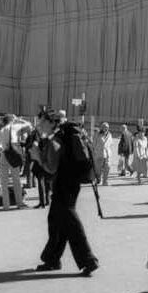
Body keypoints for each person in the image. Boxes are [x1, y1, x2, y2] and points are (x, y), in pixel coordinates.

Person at [31, 110, 99, 276]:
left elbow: (51, 167)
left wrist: (37, 156)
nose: (40, 125)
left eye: (42, 122)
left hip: (64, 184)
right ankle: (52, 258)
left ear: (52, 122)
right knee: (55, 219)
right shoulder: (62, 134)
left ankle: (88, 260)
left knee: (69, 220)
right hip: (71, 182)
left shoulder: (56, 139)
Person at [0, 114, 32, 210]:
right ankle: (19, 203)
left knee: (4, 182)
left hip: (4, 155)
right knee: (16, 180)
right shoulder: (14, 127)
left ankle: (6, 205)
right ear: (11, 121)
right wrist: (18, 119)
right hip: (13, 156)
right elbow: (29, 124)